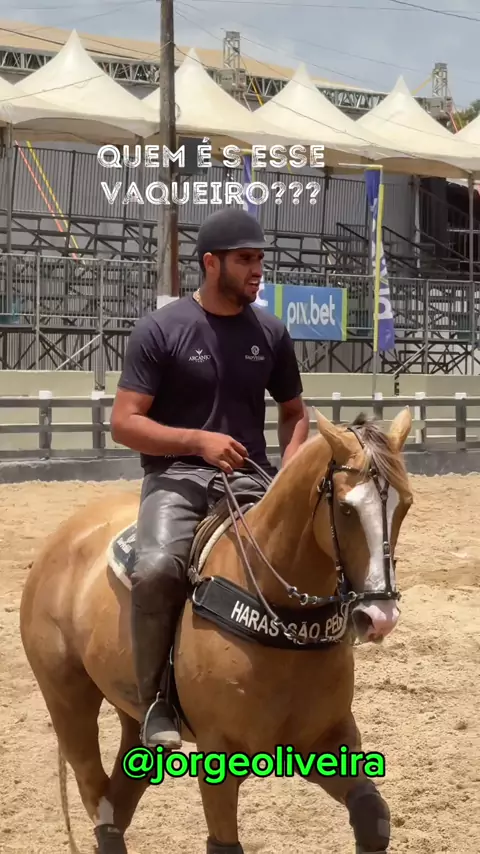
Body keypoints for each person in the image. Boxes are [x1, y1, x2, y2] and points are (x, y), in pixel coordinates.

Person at [110, 207, 310, 750]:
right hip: (176, 478)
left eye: (260, 259)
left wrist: (289, 471)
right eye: (245, 259)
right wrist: (198, 441)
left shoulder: (271, 333)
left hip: (250, 479)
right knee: (155, 569)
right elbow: (124, 423)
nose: (257, 270)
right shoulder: (162, 329)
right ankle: (155, 701)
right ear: (210, 263)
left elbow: (294, 412)